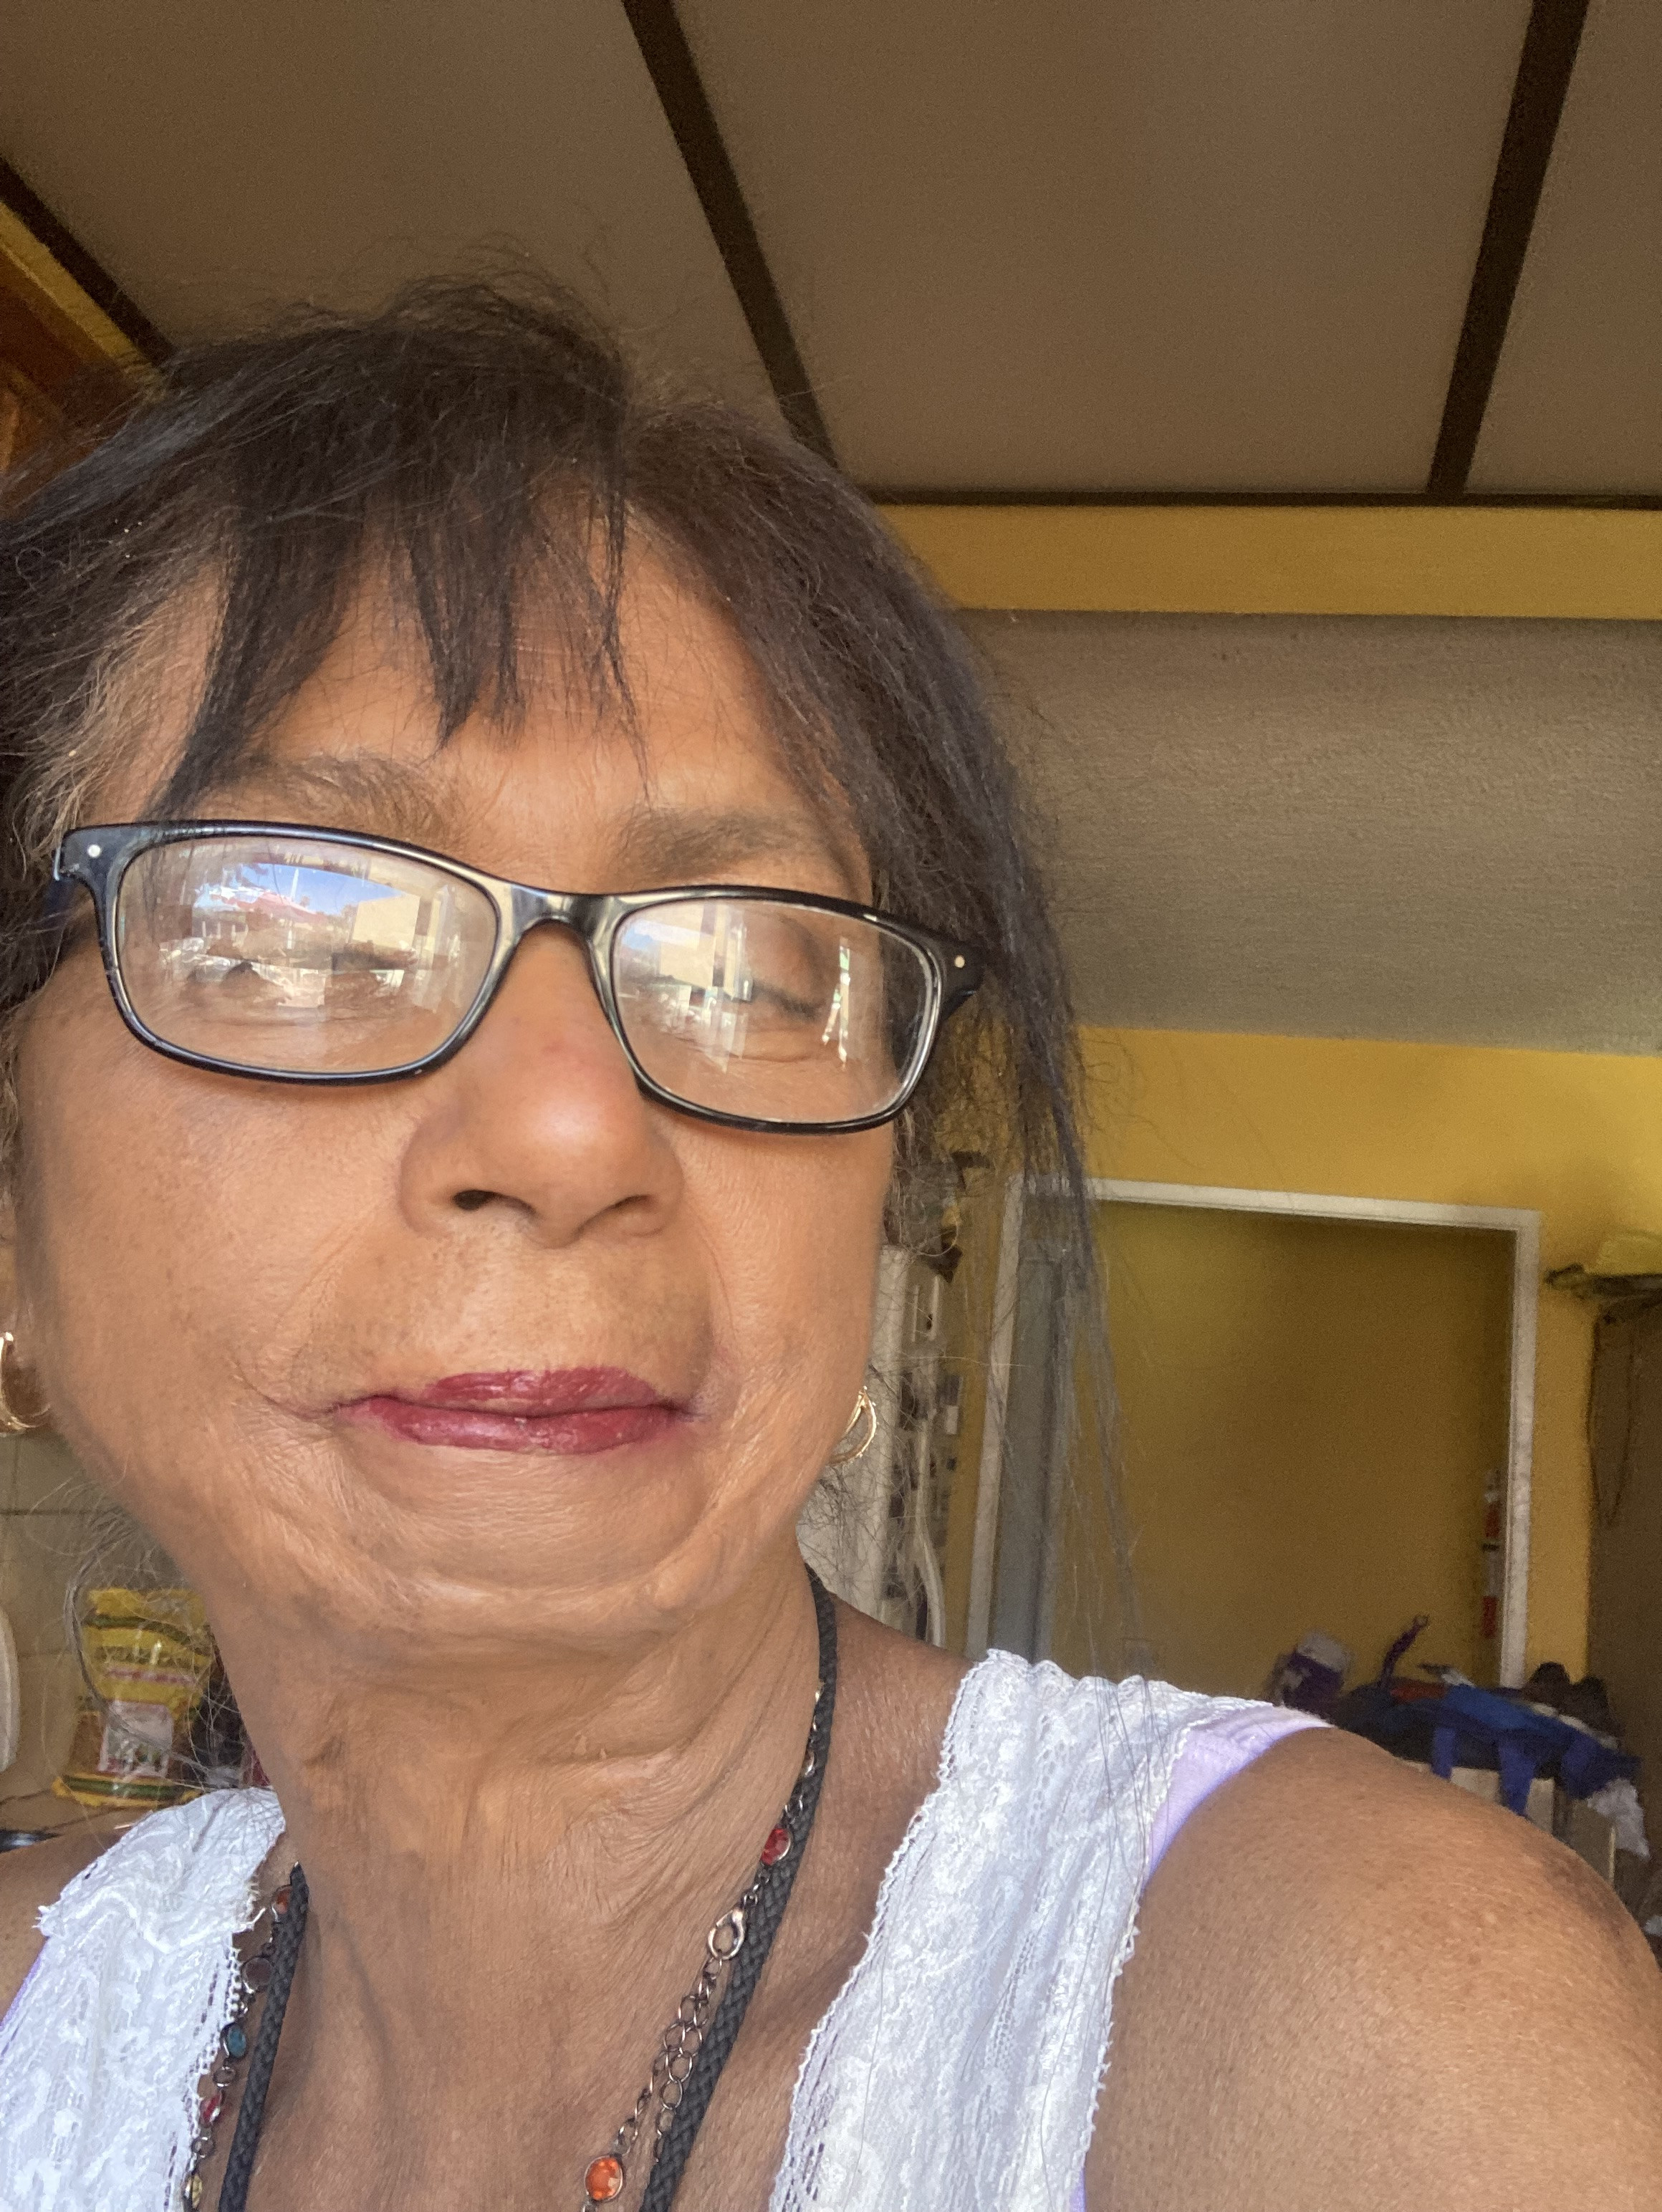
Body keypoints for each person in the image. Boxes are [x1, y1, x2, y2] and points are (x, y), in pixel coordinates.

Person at [0, 284, 1655, 2212]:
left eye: (753, 965)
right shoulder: (41, 2008)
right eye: (300, 926)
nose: (570, 1133)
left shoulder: (1378, 2028)